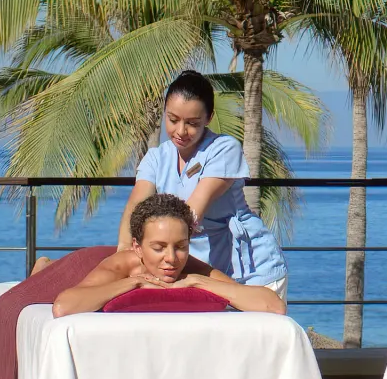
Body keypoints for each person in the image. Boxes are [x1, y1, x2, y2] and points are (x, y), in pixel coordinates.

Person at [115, 70, 288, 293]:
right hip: (203, 275)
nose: (180, 131)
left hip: (252, 271)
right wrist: (123, 256)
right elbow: (135, 208)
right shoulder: (156, 158)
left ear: (209, 118)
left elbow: (193, 211)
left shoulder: (225, 149)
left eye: (193, 123)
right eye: (173, 119)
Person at [57, 194, 286, 316]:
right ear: (137, 247)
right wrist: (134, 283)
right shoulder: (120, 267)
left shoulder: (191, 268)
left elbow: (273, 306)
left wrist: (198, 281)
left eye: (181, 246)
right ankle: (44, 264)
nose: (171, 258)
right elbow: (64, 306)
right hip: (84, 262)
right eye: (158, 248)